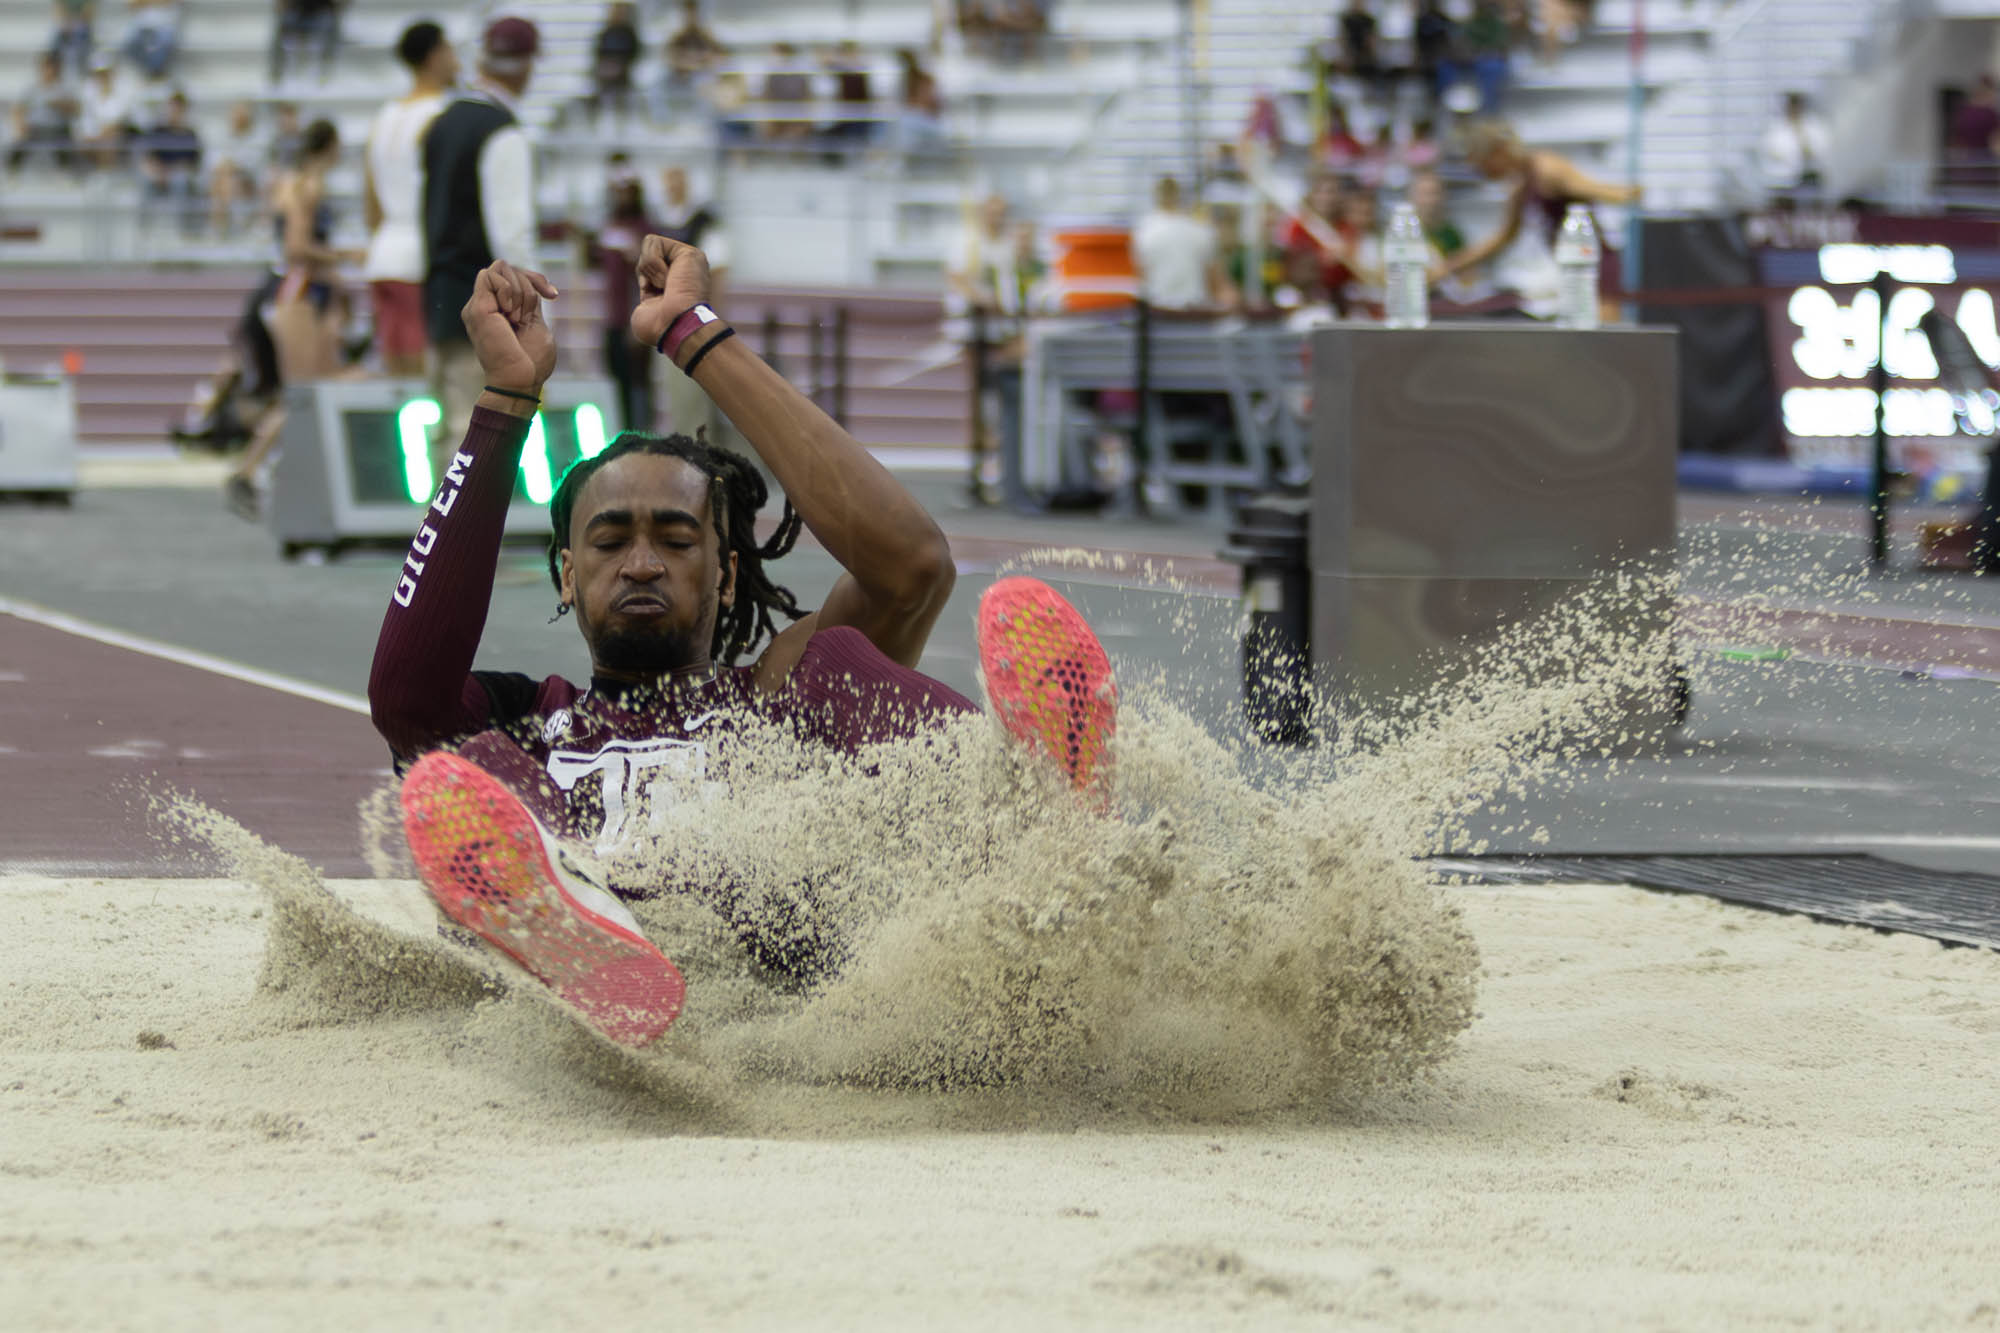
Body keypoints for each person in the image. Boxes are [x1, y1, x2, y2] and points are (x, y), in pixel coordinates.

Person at [376, 243, 1118, 1040]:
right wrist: (505, 400)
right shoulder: (526, 719)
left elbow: (912, 566)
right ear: (566, 574)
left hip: (783, 983)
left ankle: (1023, 801)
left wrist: (694, 334)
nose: (642, 562)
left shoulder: (774, 693)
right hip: (589, 978)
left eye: (675, 537)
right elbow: (404, 693)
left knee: (834, 659)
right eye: (609, 539)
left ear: (728, 574)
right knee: (459, 767)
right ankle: (576, 916)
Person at [424, 16, 539, 487]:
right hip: (486, 303)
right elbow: (511, 234)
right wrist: (532, 305)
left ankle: (434, 544)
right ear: (527, 66)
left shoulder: (441, 124)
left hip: (439, 293)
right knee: (478, 432)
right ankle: (459, 550)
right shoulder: (501, 131)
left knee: (446, 423)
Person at [220, 117, 354, 516]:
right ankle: (250, 468)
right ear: (329, 148)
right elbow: (297, 247)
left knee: (312, 389)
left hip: (293, 289)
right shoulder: (307, 187)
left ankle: (271, 468)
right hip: (296, 290)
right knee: (305, 392)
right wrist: (346, 257)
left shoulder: (288, 182)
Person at [1440, 120, 1638, 318]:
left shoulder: (1547, 169)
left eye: (1482, 166)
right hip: (1568, 267)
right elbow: (1502, 238)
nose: (1482, 174)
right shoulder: (1520, 185)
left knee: (1605, 338)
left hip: (1592, 264)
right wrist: (1449, 267)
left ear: (1497, 152)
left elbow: (1592, 189)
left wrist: (1628, 194)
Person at [364, 21, 456, 378]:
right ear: (434, 56)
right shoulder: (442, 116)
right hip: (422, 256)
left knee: (397, 380)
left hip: (384, 253)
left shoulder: (384, 117)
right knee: (429, 376)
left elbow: (371, 203)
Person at [652, 164, 730, 444]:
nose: (672, 186)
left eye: (677, 179)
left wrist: (711, 320)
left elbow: (718, 272)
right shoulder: (661, 224)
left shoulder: (703, 225)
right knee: (674, 397)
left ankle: (700, 454)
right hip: (667, 321)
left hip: (693, 322)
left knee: (695, 397)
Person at [593, 169, 658, 434]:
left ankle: (641, 433)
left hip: (637, 319)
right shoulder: (609, 226)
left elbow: (647, 278)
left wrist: (639, 317)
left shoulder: (646, 231)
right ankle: (621, 431)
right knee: (616, 379)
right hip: (613, 317)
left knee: (639, 382)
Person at [1131, 175, 1224, 311]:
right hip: (1194, 308)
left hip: (1158, 309)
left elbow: (1141, 274)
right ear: (1180, 197)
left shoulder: (1144, 231)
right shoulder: (1200, 230)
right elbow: (1213, 278)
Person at [137, 90, 202, 234]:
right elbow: (148, 158)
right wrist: (158, 172)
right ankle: (144, 231)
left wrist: (170, 171)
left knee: (180, 181)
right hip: (159, 174)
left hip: (177, 175)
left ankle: (181, 231)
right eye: (172, 107)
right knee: (146, 180)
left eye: (178, 108)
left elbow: (192, 164)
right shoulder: (157, 130)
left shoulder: (190, 134)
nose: (174, 111)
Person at [9, 52, 78, 174]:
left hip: (57, 128)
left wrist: (60, 104)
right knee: (20, 143)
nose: (48, 70)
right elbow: (19, 109)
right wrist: (20, 126)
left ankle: (67, 172)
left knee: (65, 140)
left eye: (50, 67)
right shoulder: (32, 88)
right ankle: (12, 172)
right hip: (35, 128)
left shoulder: (64, 88)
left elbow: (75, 110)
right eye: (45, 67)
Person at [1758, 91, 1832, 202]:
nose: (1794, 109)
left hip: (1809, 177)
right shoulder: (1776, 127)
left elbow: (1821, 148)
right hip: (1782, 178)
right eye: (1791, 106)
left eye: (1797, 106)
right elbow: (1772, 151)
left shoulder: (1813, 125)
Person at [206, 99, 260, 235]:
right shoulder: (221, 134)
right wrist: (229, 166)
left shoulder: (256, 137)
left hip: (247, 181)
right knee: (223, 181)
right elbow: (213, 162)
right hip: (226, 178)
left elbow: (252, 163)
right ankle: (224, 227)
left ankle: (221, 229)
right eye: (236, 114)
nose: (238, 118)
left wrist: (230, 165)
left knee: (227, 181)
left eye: (242, 115)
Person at [77, 55, 136, 170]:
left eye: (105, 73)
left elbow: (122, 118)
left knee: (109, 139)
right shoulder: (89, 91)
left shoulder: (125, 89)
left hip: (120, 132)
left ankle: (106, 172)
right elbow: (86, 118)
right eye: (99, 74)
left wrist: (102, 133)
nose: (102, 77)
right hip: (97, 134)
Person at [589, 2, 641, 125]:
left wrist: (620, 66)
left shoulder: (630, 34)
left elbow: (635, 53)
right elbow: (598, 53)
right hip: (606, 71)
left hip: (624, 73)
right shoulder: (605, 33)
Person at [270, 0, 342, 86]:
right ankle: (276, 73)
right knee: (281, 27)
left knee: (333, 27)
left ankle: (326, 70)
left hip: (322, 13)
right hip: (296, 12)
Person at [761, 42, 813, 144]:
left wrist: (805, 121)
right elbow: (766, 98)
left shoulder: (800, 75)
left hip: (797, 116)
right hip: (776, 116)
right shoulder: (772, 76)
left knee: (798, 132)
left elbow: (807, 99)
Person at [895, 48, 943, 154]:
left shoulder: (925, 79)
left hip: (927, 119)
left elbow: (932, 103)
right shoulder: (906, 81)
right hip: (915, 118)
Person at [120, 0, 181, 82]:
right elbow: (132, 4)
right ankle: (150, 72)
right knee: (130, 44)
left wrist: (145, 2)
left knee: (166, 43)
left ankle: (155, 73)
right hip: (141, 25)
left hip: (165, 24)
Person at [49, 0, 95, 81]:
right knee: (58, 34)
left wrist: (78, 22)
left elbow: (89, 10)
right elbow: (59, 8)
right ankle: (56, 70)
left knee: (81, 32)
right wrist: (66, 22)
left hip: (82, 23)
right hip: (67, 23)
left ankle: (84, 69)